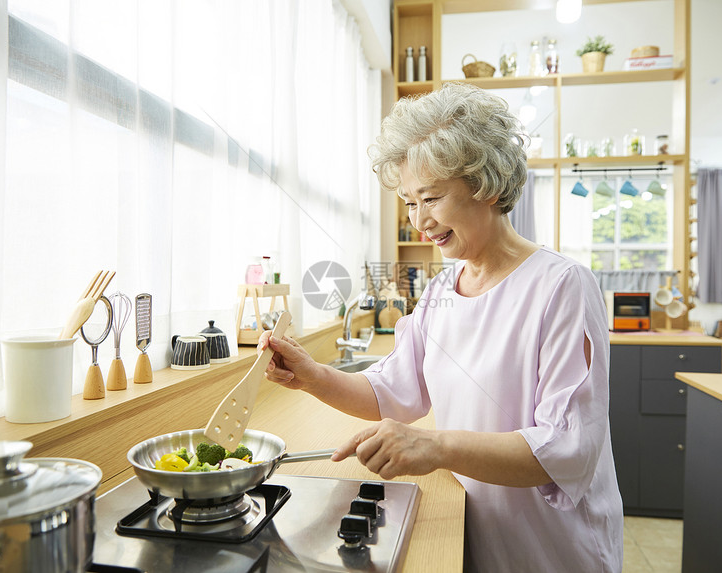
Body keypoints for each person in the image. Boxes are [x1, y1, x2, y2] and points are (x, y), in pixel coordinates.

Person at [259, 82, 623, 572]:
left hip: (553, 550)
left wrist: (434, 446)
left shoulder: (562, 286)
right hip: (482, 534)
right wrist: (312, 375)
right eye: (410, 203)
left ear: (487, 184)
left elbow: (567, 450)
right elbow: (393, 390)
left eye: (430, 198)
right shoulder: (441, 290)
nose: (419, 221)